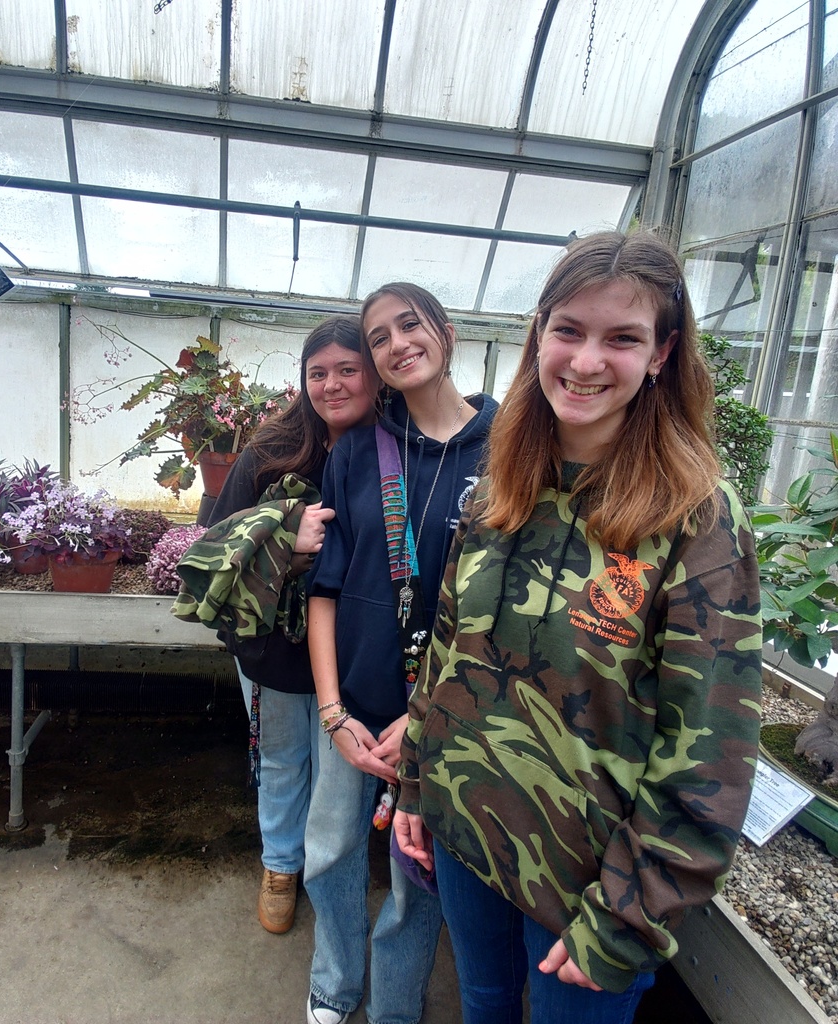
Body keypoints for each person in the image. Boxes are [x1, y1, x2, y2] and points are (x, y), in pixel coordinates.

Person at [393, 231, 763, 1024]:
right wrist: (418, 786)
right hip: (466, 836)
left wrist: (629, 915)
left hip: (589, 888)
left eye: (622, 338)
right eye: (569, 330)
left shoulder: (696, 517)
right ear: (539, 333)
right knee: (484, 1006)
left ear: (662, 353)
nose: (587, 361)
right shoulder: (504, 477)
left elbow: (708, 751)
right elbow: (448, 652)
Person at [304, 283, 499, 1024]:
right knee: (328, 851)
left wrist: (430, 721)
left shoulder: (512, 449)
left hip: (447, 723)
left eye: (409, 325)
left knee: (417, 876)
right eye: (378, 336)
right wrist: (332, 713)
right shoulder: (358, 452)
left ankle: (393, 1007)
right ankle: (333, 983)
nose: (396, 344)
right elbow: (324, 591)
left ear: (445, 332)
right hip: (354, 711)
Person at [207, 315, 378, 935]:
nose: (332, 385)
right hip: (276, 646)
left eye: (347, 369)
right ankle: (280, 864)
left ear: (375, 374)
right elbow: (213, 545)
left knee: (341, 772)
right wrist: (283, 534)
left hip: (360, 651)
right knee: (283, 758)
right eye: (317, 373)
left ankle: (328, 873)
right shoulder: (272, 448)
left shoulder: (395, 447)